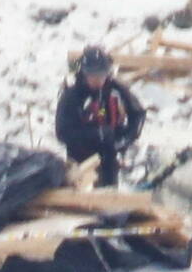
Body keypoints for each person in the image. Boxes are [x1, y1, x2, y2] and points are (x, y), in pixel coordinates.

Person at [54, 43, 145, 186]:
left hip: (109, 158)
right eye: (94, 76)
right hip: (81, 161)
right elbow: (62, 133)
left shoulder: (114, 89)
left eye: (102, 75)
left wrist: (125, 139)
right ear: (84, 73)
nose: (98, 81)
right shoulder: (71, 96)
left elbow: (138, 114)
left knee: (109, 197)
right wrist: (96, 134)